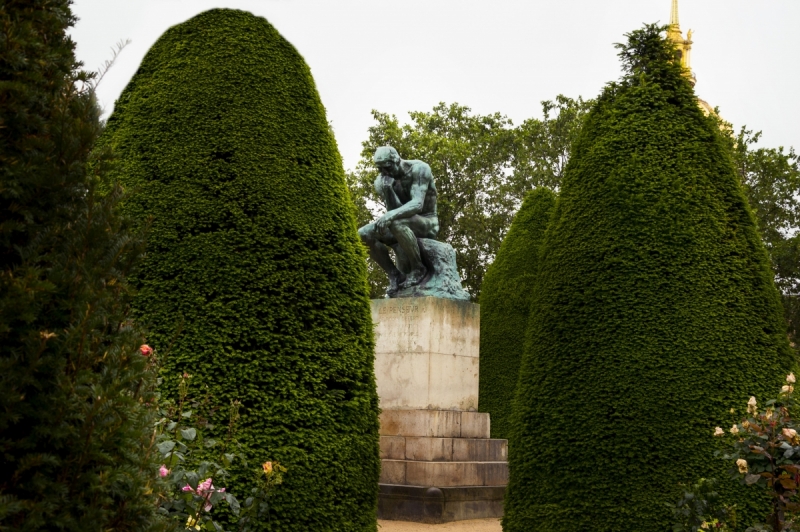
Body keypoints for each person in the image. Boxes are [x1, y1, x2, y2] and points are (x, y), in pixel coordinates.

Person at [358, 146, 439, 297]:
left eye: (387, 167)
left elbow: (417, 204)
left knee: (396, 222)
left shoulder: (419, 169)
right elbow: (394, 209)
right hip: (402, 222)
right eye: (380, 169)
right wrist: (388, 190)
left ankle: (418, 268)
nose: (384, 173)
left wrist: (390, 216)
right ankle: (394, 275)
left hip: (427, 222)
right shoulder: (383, 181)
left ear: (396, 160)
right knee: (363, 234)